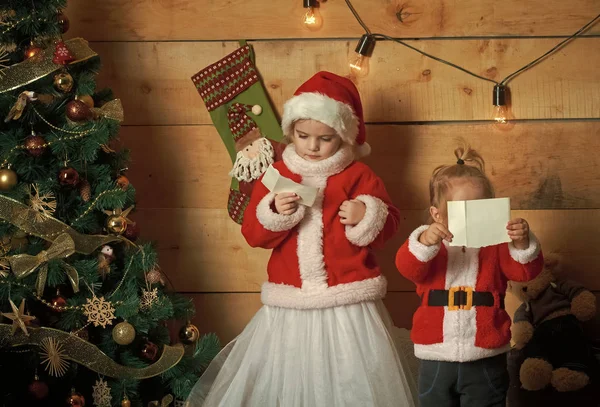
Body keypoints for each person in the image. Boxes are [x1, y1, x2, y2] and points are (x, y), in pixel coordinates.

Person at [187, 71, 417, 406]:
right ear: (291, 130)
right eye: (302, 135)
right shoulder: (277, 174)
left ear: (342, 135)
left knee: (351, 377)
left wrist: (366, 214)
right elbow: (253, 232)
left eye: (324, 138)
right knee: (285, 376)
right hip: (290, 299)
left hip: (347, 300)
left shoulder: (359, 175)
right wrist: (275, 211)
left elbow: (389, 224)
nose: (312, 146)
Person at [395, 145, 544, 407]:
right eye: (459, 210)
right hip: (436, 353)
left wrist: (522, 243)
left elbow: (525, 271)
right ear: (436, 214)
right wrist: (424, 241)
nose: (469, 216)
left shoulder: (497, 245)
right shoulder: (429, 245)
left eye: (479, 208)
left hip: (486, 352)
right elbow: (408, 268)